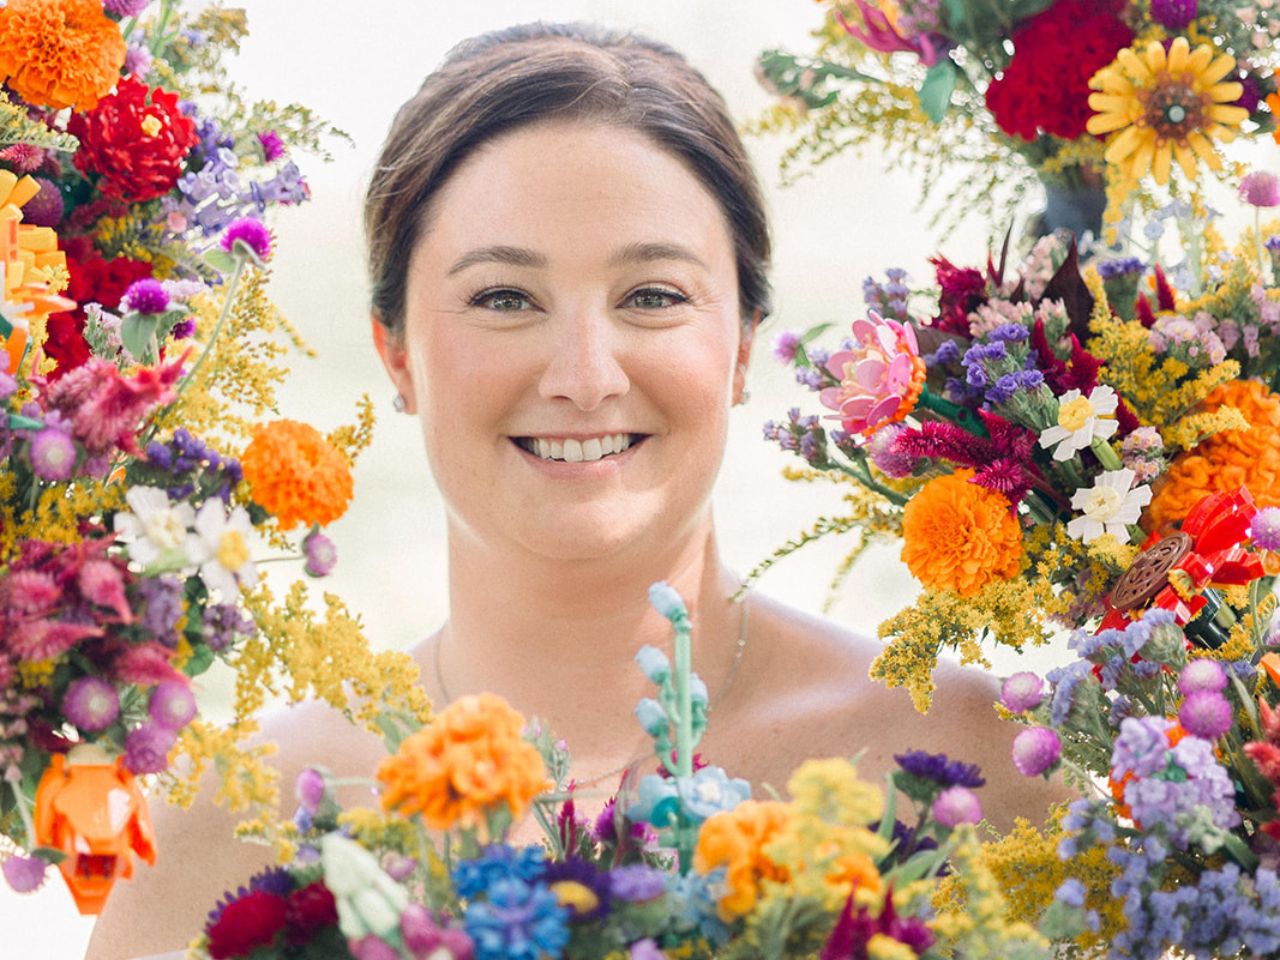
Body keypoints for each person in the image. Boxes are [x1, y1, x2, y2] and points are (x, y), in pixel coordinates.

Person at [88, 23, 1066, 959]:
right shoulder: (220, 826)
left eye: (651, 296)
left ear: (741, 349)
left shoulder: (981, 770)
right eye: (503, 299)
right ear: (395, 354)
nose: (584, 374)